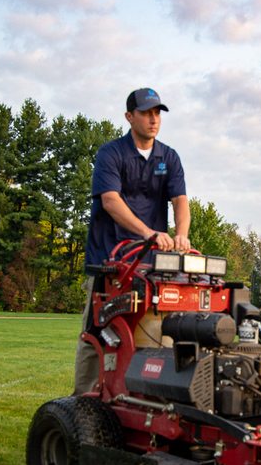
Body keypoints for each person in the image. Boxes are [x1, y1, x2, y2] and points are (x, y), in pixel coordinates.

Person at [73, 88, 191, 394]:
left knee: (158, 332)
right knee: (97, 333)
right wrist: (148, 233)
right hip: (108, 262)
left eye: (157, 113)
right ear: (129, 117)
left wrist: (182, 234)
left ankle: (144, 396)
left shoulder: (170, 157)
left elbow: (180, 201)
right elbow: (111, 201)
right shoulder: (111, 154)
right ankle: (84, 399)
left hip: (151, 266)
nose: (153, 120)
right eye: (146, 113)